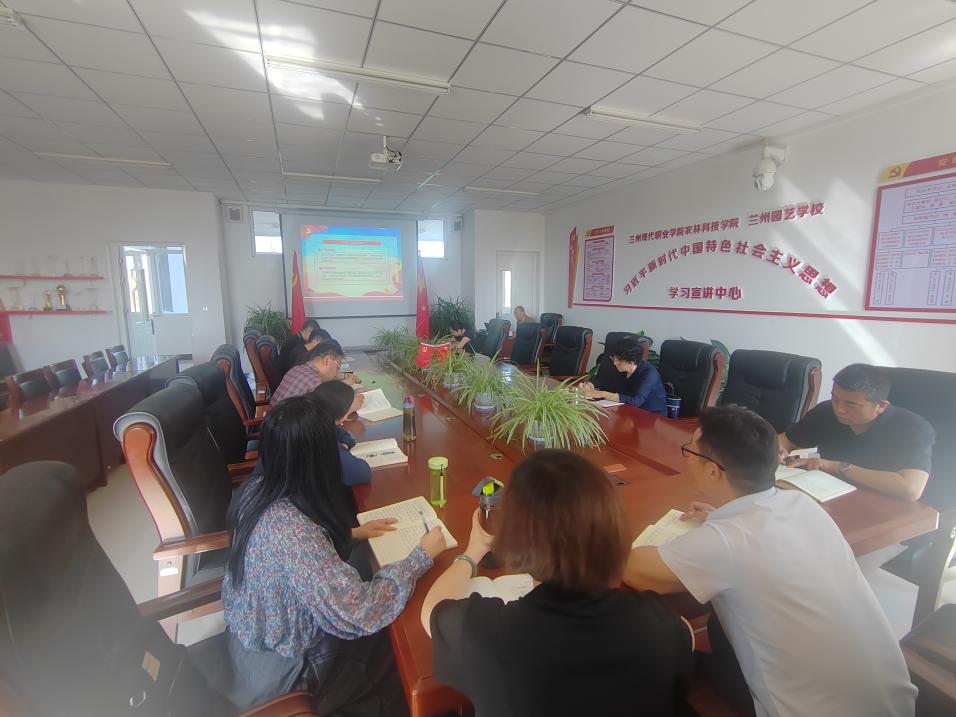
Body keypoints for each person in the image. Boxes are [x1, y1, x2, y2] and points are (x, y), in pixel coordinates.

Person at [624, 405, 917, 717]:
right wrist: (719, 520)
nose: (687, 457)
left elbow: (633, 570)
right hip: (895, 704)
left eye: (690, 450)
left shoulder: (726, 541)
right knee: (720, 625)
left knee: (659, 658)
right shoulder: (803, 504)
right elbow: (756, 539)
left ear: (712, 471)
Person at [421, 450, 693, 717]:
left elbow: (432, 608)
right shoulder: (656, 624)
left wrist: (473, 552)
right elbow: (686, 634)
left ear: (516, 539)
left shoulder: (490, 636)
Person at [223, 395, 449, 715]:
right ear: (319, 458)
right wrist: (422, 555)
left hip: (249, 645)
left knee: (373, 576)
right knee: (406, 645)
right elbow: (362, 611)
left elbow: (295, 563)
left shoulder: (255, 490)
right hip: (283, 673)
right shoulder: (291, 533)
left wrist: (351, 533)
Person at [779, 363, 934, 502]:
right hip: (829, 495)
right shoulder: (827, 411)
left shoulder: (913, 428)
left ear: (881, 406)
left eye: (851, 405)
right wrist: (775, 449)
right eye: (835, 398)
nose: (839, 409)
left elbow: (911, 489)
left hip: (885, 505)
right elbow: (787, 440)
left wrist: (837, 466)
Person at [581, 336, 667, 415]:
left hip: (652, 416)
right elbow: (603, 380)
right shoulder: (620, 367)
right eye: (614, 359)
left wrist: (601, 394)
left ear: (632, 361)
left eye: (619, 361)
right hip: (628, 411)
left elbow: (636, 401)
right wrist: (590, 386)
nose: (615, 363)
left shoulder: (649, 374)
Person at [313, 379, 371, 486]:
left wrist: (344, 444)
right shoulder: (322, 439)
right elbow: (362, 473)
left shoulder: (317, 420)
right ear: (343, 417)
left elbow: (345, 435)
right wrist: (340, 449)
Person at [271, 339, 357, 406]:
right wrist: (352, 403)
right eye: (338, 367)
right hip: (285, 423)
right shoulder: (314, 381)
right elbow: (330, 411)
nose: (336, 372)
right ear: (327, 360)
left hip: (271, 419)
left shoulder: (297, 369)